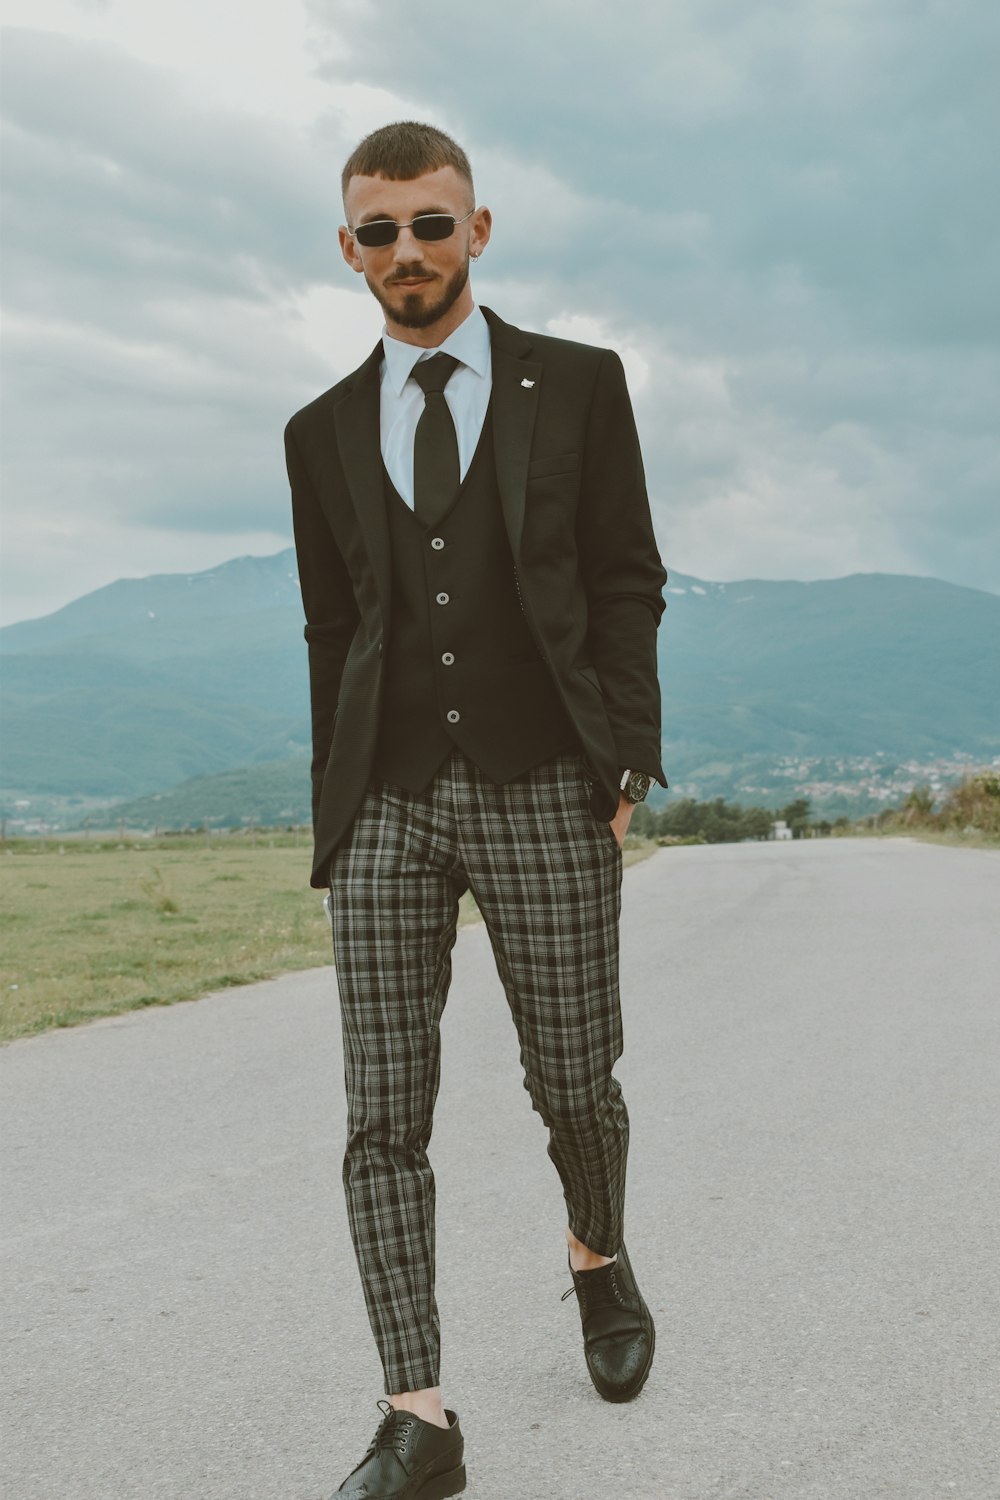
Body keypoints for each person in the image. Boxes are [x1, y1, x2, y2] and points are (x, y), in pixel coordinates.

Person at [284, 120, 668, 1500]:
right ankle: (419, 1413)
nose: (407, 253)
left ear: (478, 229)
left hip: (546, 780)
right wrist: (335, 807)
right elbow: (336, 629)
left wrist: (622, 758)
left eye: (430, 225)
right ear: (350, 249)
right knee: (382, 1112)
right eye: (378, 232)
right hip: (386, 804)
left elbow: (627, 577)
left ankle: (596, 1251)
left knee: (574, 1077)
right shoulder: (318, 432)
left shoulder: (578, 385)